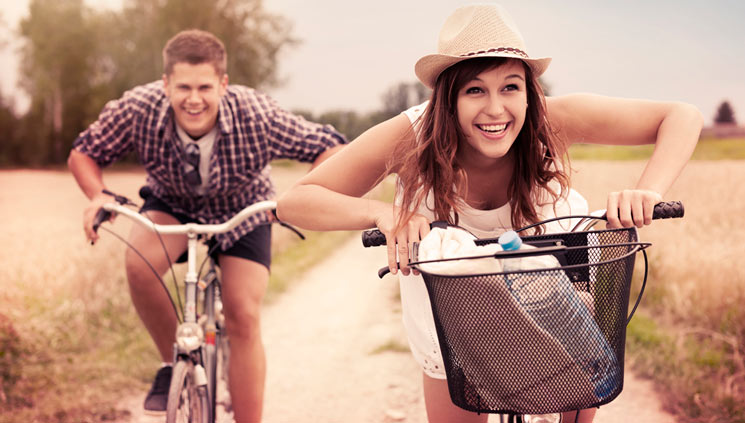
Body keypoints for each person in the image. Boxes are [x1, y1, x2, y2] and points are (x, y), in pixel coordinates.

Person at [276, 4, 702, 423]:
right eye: (475, 90)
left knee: (580, 371)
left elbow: (681, 116)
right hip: (453, 319)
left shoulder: (550, 120)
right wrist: (382, 213)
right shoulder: (411, 136)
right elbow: (296, 202)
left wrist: (647, 191)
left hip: (551, 295)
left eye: (510, 87)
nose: (496, 109)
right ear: (449, 99)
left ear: (528, 91)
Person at [67, 29, 345, 422]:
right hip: (173, 204)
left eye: (204, 87)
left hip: (246, 208)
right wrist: (99, 195)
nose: (193, 99)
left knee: (242, 313)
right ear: (165, 84)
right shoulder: (139, 109)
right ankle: (171, 364)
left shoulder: (256, 114)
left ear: (223, 84)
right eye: (182, 87)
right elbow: (84, 152)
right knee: (138, 267)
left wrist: (294, 199)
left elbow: (330, 148)